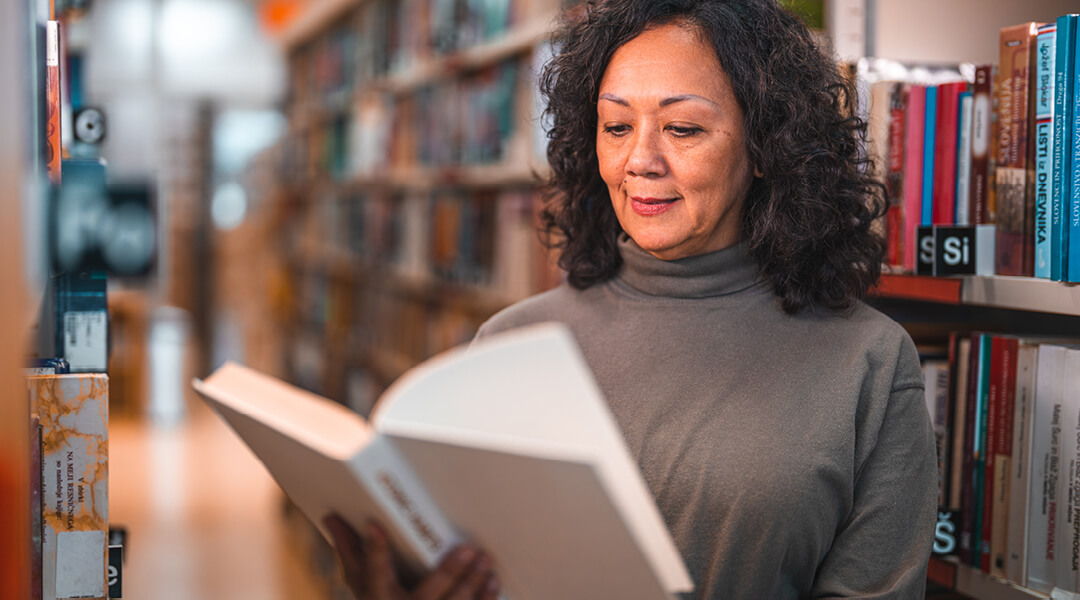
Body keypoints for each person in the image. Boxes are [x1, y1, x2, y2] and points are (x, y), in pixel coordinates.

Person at [327, 0, 938, 598]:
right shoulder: (509, 342)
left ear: (765, 146)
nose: (639, 161)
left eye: (683, 128)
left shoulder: (871, 364)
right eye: (616, 127)